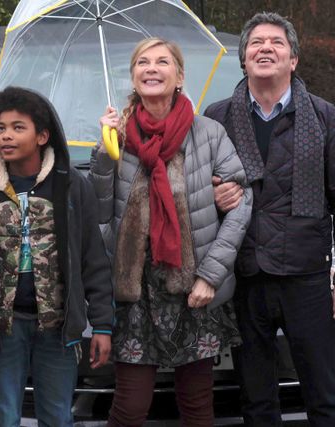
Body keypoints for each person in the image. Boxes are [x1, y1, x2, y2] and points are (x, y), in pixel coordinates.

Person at [204, 12, 335, 426]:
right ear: (243, 59)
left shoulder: (325, 117)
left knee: (324, 396)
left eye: (276, 43)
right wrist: (213, 194)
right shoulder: (216, 117)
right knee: (256, 402)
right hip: (244, 277)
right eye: (256, 42)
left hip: (306, 277)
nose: (265, 48)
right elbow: (192, 193)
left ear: (293, 59)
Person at [89, 37, 252, 426]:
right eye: (142, 62)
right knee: (130, 408)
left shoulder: (208, 133)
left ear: (179, 76)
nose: (151, 68)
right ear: (133, 77)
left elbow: (240, 204)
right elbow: (96, 212)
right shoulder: (118, 137)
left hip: (192, 288)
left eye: (162, 62)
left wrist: (211, 277)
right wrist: (103, 151)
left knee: (197, 408)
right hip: (135, 292)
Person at [0, 86, 115, 426]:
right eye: (1, 128)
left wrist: (102, 324)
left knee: (58, 416)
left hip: (57, 328)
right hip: (1, 329)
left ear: (43, 135)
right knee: (2, 417)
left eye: (18, 127)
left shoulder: (72, 186)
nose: (6, 136)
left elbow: (94, 259)